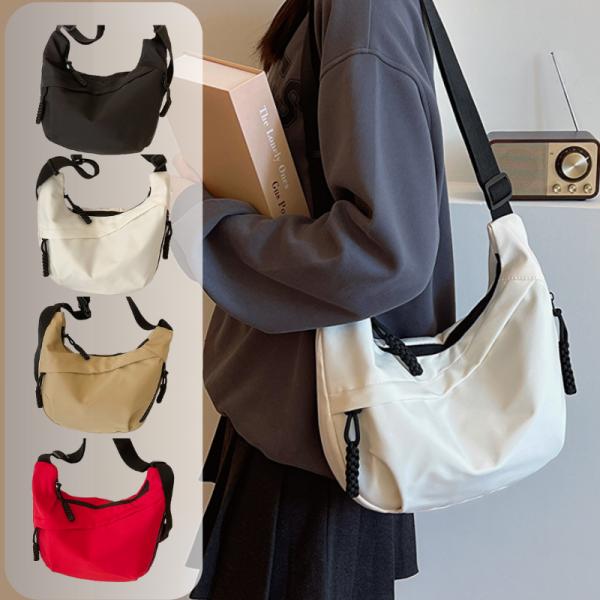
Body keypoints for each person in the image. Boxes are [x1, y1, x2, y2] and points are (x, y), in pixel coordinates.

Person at [172, 0, 455, 598]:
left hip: (321, 429)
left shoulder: (365, 10)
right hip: (307, 415)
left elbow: (384, 255)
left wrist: (204, 223)